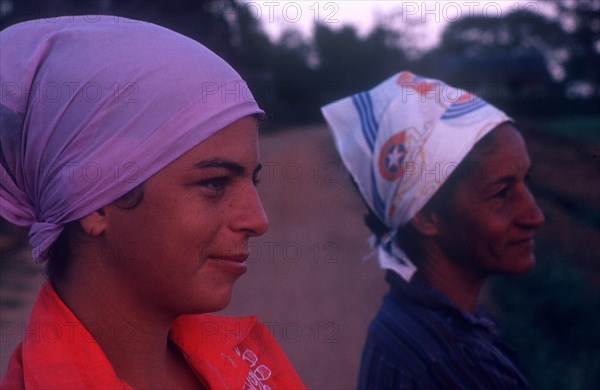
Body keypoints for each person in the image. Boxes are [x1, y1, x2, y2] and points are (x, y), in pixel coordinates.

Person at [0, 16, 305, 389]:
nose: (257, 220)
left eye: (251, 180)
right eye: (214, 182)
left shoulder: (248, 361)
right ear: (96, 202)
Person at [321, 71, 544, 389]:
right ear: (425, 216)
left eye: (525, 182)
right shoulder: (451, 366)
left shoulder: (416, 327)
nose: (534, 216)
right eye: (501, 193)